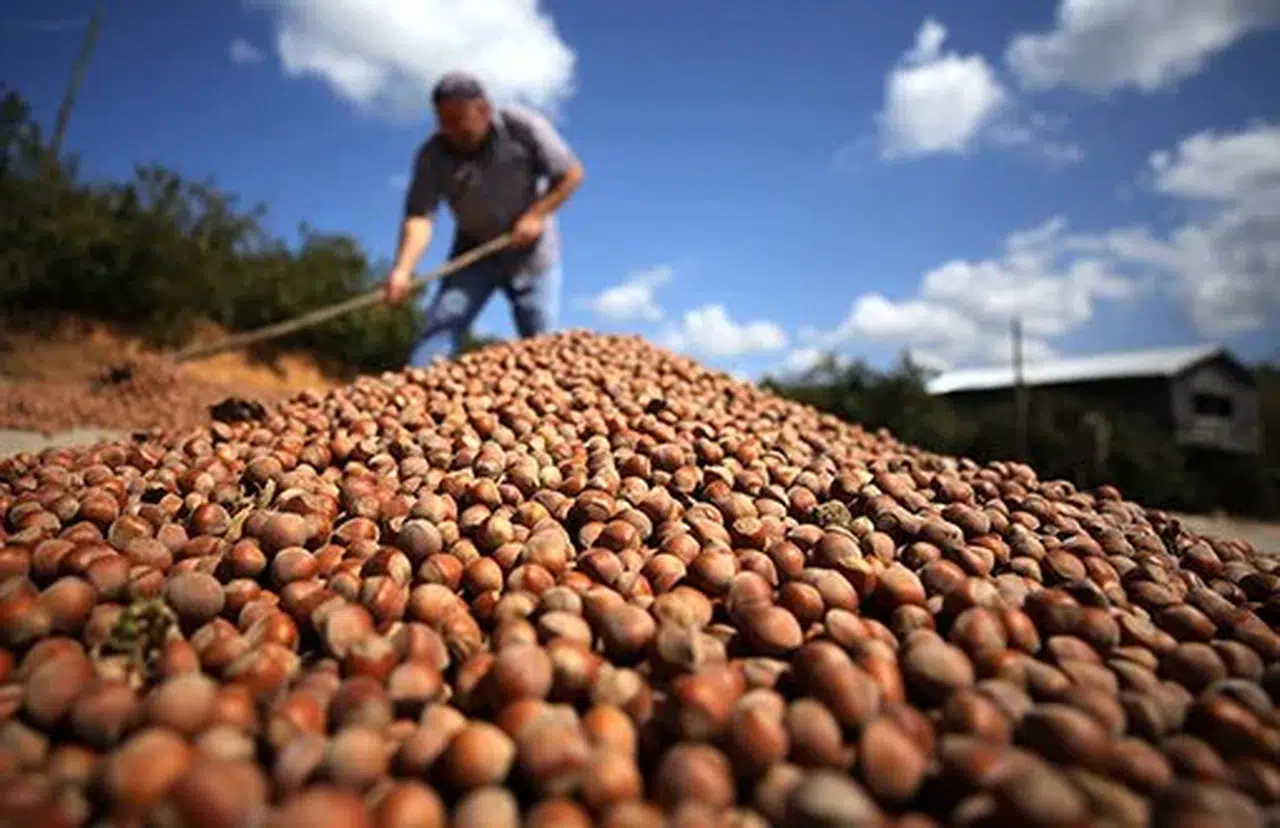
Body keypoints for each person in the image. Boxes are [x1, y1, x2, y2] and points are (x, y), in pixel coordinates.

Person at [383, 70, 585, 365]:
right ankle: (415, 383)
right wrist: (403, 269)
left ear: (483, 110)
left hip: (533, 253)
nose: (450, 130)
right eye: (443, 121)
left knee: (540, 344)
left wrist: (536, 215)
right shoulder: (432, 155)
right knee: (441, 326)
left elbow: (570, 173)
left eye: (458, 121)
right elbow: (420, 217)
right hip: (474, 252)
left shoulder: (523, 126)